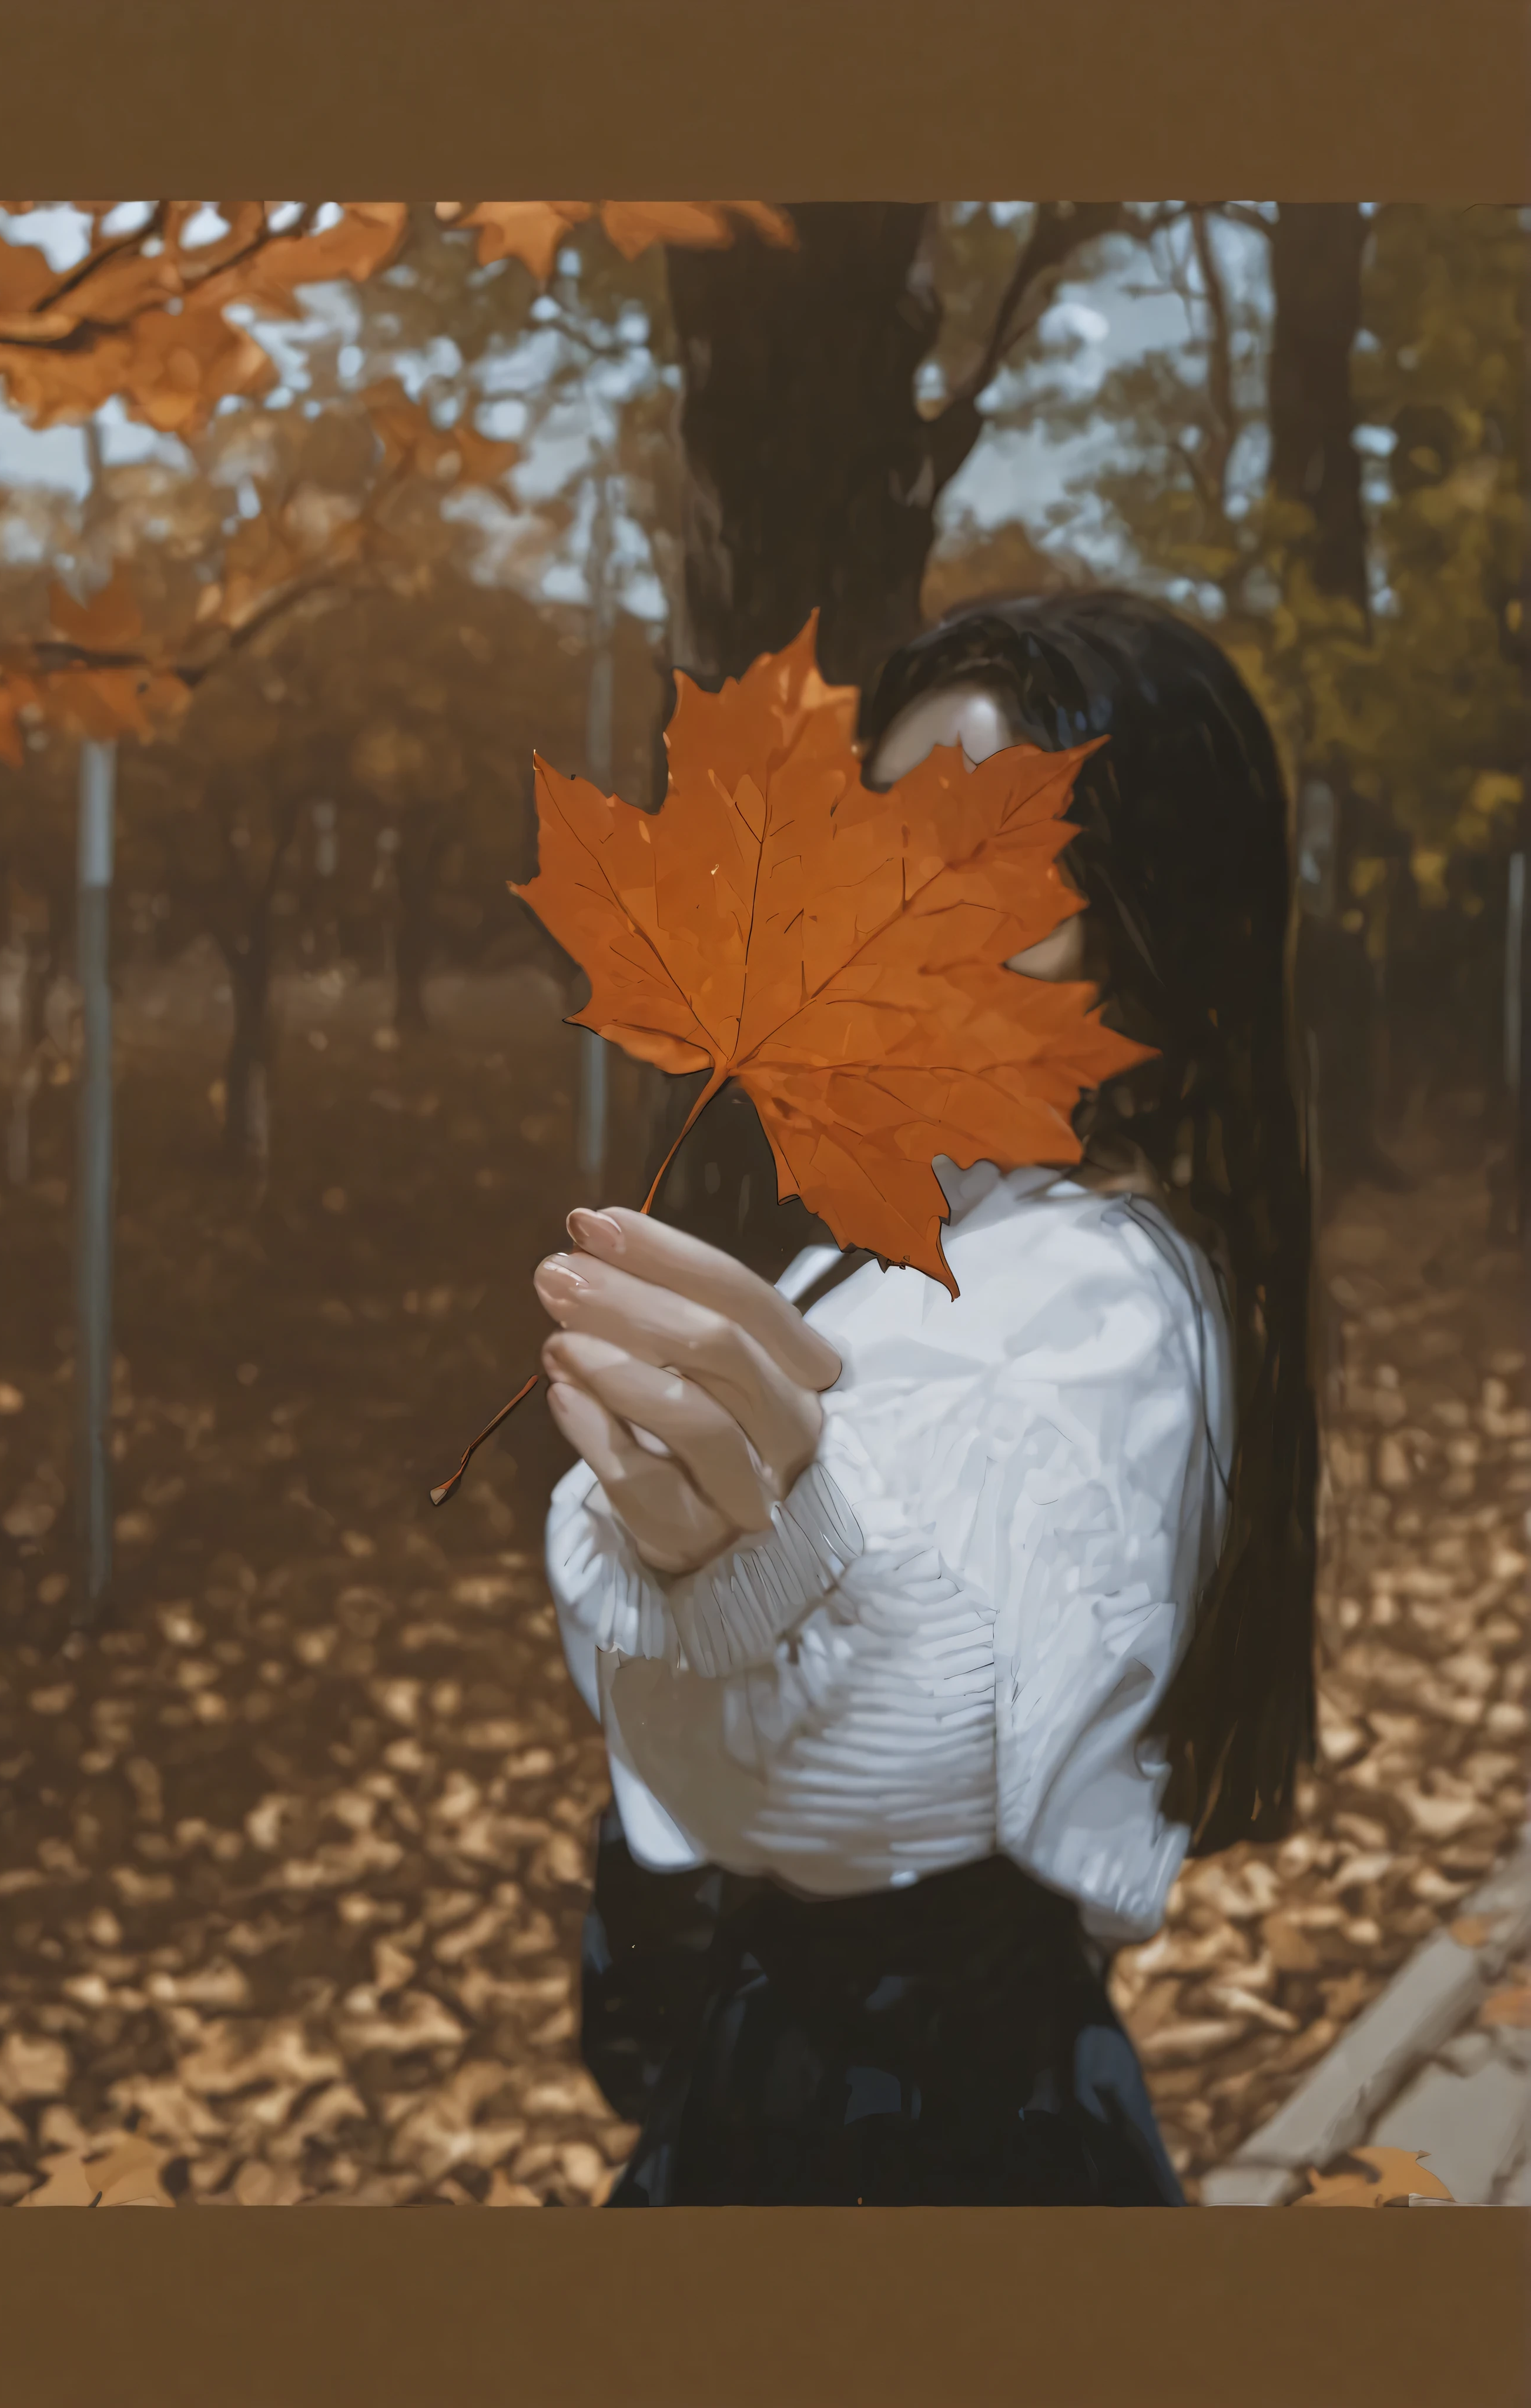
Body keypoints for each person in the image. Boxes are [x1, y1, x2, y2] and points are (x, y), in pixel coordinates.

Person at [535, 588, 1320, 2206]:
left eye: (1001, 856)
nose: (913, 901)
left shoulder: (1094, 1301)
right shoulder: (920, 1243)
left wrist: (737, 1558)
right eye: (879, 836)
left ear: (1146, 908)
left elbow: (882, 1796)